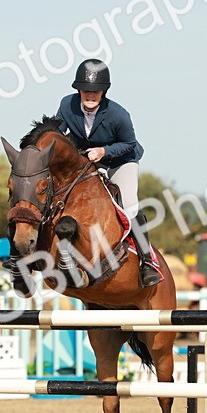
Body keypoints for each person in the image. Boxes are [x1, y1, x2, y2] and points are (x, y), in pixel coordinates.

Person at [54, 58, 160, 288]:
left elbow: (129, 144)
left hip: (120, 160)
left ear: (104, 92)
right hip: (87, 160)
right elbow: (57, 133)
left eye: (96, 91)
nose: (90, 95)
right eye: (86, 90)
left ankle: (146, 261)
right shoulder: (66, 105)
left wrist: (104, 151)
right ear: (79, 90)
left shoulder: (118, 114)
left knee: (130, 204)